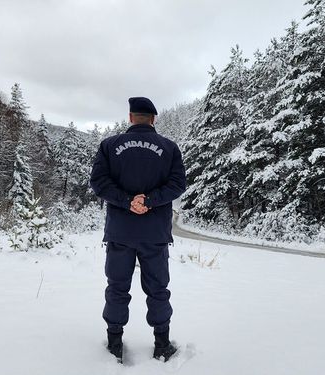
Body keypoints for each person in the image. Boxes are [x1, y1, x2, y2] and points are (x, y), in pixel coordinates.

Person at [89, 97, 187, 363]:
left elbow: (98, 182)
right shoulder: (169, 148)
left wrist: (126, 201)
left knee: (117, 287)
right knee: (158, 289)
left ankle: (114, 342)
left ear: (131, 117)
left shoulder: (109, 145)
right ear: (153, 119)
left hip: (120, 232)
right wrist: (150, 200)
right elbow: (178, 184)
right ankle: (162, 344)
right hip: (154, 233)